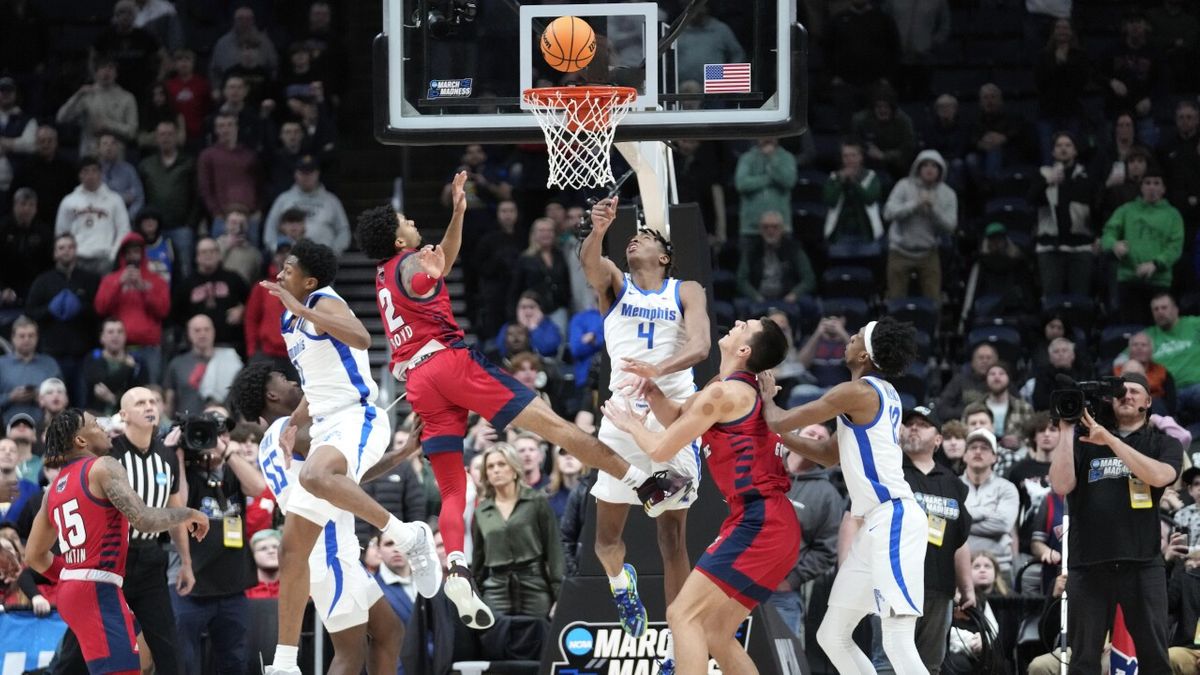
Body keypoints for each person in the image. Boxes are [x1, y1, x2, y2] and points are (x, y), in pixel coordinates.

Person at [354, 176, 695, 630]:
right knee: (556, 427)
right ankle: (645, 484)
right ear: (399, 238)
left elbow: (441, 265)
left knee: (455, 489)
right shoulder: (412, 263)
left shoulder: (382, 276)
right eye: (407, 221)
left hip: (417, 381)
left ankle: (455, 563)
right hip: (449, 365)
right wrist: (435, 255)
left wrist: (458, 214)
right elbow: (428, 272)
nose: (414, 221)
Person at [254, 239, 441, 675]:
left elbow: (361, 337)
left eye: (289, 269)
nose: (281, 274)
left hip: (355, 416)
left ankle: (407, 536)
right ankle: (284, 663)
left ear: (310, 280)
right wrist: (298, 423)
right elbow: (314, 389)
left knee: (313, 482)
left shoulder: (322, 302)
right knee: (292, 546)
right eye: (282, 269)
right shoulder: (292, 319)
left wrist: (297, 424)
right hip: (328, 438)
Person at [601, 317, 795, 675]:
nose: (737, 322)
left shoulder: (728, 394)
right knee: (715, 633)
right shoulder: (724, 388)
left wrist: (631, 425)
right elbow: (677, 415)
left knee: (681, 614)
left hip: (760, 521)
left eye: (745, 325)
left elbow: (660, 448)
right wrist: (651, 389)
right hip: (769, 523)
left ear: (744, 350)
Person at [756, 316, 928, 674]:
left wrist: (768, 399)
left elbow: (778, 421)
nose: (847, 341)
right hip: (876, 525)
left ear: (865, 355)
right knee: (832, 635)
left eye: (854, 337)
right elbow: (828, 454)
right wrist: (778, 432)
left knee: (897, 639)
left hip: (894, 517)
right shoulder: (872, 395)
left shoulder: (858, 391)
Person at [580, 196, 710, 652]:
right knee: (605, 543)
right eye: (633, 237)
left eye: (648, 237)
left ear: (665, 257)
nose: (636, 238)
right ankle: (622, 585)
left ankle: (680, 643)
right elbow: (591, 265)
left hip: (672, 412)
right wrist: (598, 231)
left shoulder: (686, 289)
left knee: (671, 536)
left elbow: (700, 345)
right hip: (623, 413)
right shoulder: (615, 284)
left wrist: (659, 370)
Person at [232, 363, 412, 675]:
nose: (295, 384)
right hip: (327, 550)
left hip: (327, 550)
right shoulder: (294, 429)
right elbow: (326, 406)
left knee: (389, 631)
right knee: (349, 653)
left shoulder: (268, 441)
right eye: (286, 380)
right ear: (271, 394)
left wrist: (400, 455)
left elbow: (346, 472)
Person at [24, 409, 207, 674]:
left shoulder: (53, 489)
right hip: (96, 588)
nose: (104, 426)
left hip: (78, 589)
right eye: (96, 424)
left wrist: (70, 577)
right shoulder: (104, 466)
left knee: (144, 661)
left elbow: (34, 556)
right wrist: (188, 513)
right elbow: (143, 519)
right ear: (81, 441)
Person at [1048, 371, 1183, 673]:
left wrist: (1107, 438)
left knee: (1155, 658)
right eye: (1121, 391)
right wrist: (1066, 427)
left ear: (1148, 401)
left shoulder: (1163, 443)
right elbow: (1060, 484)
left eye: (1135, 391)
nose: (1128, 395)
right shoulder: (1084, 441)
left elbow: (1159, 476)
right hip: (1088, 564)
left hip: (1143, 563)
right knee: (1083, 660)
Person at [898, 405, 975, 674]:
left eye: (923, 424)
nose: (914, 427)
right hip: (896, 586)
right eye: (910, 423)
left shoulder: (952, 482)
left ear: (939, 440)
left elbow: (960, 539)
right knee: (889, 665)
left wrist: (967, 588)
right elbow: (855, 519)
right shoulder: (890, 472)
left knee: (930, 666)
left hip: (939, 589)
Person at [769, 423, 846, 641]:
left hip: (780, 594)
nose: (815, 439)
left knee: (779, 663)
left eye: (821, 438)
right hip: (736, 582)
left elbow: (827, 551)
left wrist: (791, 580)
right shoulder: (763, 470)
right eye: (810, 433)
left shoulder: (828, 495)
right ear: (794, 437)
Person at [472, 443, 564, 618]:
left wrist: (560, 595)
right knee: (496, 641)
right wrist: (475, 597)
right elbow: (478, 561)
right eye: (490, 467)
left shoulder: (536, 502)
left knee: (539, 640)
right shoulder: (482, 511)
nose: (496, 470)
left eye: (501, 464)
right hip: (495, 589)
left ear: (514, 469)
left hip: (535, 584)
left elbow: (554, 551)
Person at [1102, 169, 1185, 325]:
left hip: (1159, 281)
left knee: (1159, 331)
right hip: (1128, 278)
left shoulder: (1173, 215)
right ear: (1141, 187)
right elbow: (1108, 233)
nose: (1152, 187)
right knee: (1132, 331)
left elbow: (1175, 247)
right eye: (1147, 183)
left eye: (1156, 183)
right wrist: (1114, 245)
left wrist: (1155, 264)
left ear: (1163, 189)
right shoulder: (1126, 210)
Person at [94, 233, 171, 385]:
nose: (132, 255)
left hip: (149, 349)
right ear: (122, 254)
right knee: (120, 393)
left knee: (150, 392)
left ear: (142, 253)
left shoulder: (157, 281)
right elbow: (100, 308)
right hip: (119, 350)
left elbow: (163, 311)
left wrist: (143, 288)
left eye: (136, 251)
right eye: (128, 252)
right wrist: (119, 283)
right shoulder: (110, 280)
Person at [883, 149, 957, 304]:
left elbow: (951, 226)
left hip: (928, 253)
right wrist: (915, 204)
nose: (929, 169)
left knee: (933, 302)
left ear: (940, 170)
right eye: (925, 165)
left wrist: (933, 210)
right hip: (900, 251)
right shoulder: (903, 186)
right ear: (918, 168)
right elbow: (888, 213)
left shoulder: (948, 194)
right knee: (895, 303)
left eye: (934, 166)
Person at [55, 156, 131, 275]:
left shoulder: (114, 200)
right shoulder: (69, 201)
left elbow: (124, 230)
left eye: (94, 170)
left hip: (104, 258)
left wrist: (113, 254)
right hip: (77, 258)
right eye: (85, 171)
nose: (90, 175)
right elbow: (61, 232)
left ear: (101, 173)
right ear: (80, 175)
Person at [960, 428, 1019, 579]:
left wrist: (964, 519)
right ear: (965, 455)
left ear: (994, 457)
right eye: (973, 447)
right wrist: (986, 513)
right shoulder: (952, 486)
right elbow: (946, 524)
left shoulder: (1007, 488)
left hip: (1000, 566)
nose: (978, 451)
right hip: (960, 566)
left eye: (985, 448)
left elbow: (1003, 524)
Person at [262, 155, 351, 254]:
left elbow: (343, 230)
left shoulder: (332, 201)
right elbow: (270, 229)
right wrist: (277, 250)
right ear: (296, 174)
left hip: (322, 259)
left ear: (317, 173)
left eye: (310, 173)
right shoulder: (283, 199)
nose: (306, 176)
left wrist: (334, 252)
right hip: (289, 260)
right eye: (303, 173)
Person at [0, 316, 63, 426]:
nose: (26, 339)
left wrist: (42, 396)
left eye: (31, 335)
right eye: (22, 336)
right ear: (13, 338)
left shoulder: (50, 364)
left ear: (37, 337)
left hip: (45, 428)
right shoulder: (2, 364)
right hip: (6, 428)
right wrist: (10, 397)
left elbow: (63, 398)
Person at [734, 139, 798, 246]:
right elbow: (741, 184)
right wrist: (768, 178)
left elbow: (789, 181)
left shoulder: (787, 158)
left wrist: (772, 159)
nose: (767, 137)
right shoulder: (747, 158)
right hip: (751, 228)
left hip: (781, 227)